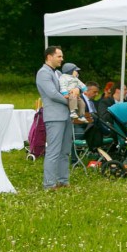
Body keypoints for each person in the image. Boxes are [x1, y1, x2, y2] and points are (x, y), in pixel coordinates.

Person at [36, 46, 73, 190]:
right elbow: (52, 93)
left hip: (65, 115)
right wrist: (70, 102)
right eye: (59, 56)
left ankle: (63, 181)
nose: (62, 59)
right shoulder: (43, 73)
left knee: (65, 151)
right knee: (53, 151)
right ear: (49, 57)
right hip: (54, 116)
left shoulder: (58, 73)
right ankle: (49, 184)